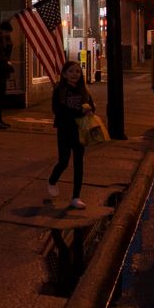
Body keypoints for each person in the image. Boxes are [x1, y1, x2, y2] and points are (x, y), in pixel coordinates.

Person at [47, 60, 95, 209]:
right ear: (64, 74)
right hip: (64, 129)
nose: (75, 74)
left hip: (79, 130)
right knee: (64, 161)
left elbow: (91, 107)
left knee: (79, 163)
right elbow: (58, 110)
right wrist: (78, 112)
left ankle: (76, 197)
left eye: (78, 72)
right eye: (71, 71)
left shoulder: (84, 91)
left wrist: (90, 109)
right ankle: (52, 181)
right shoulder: (60, 90)